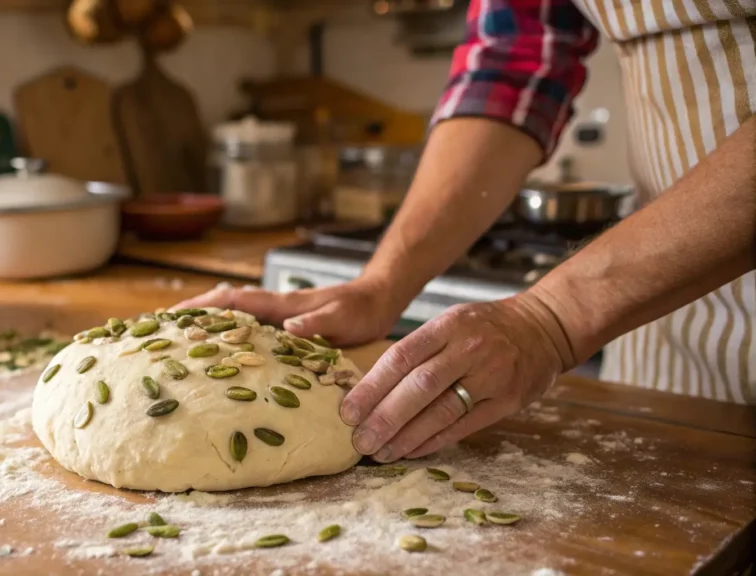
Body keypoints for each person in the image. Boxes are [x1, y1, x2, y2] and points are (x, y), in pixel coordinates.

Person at [175, 0, 756, 463]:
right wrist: (381, 285)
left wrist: (553, 318)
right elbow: (513, 62)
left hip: (627, 290)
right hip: (666, 316)